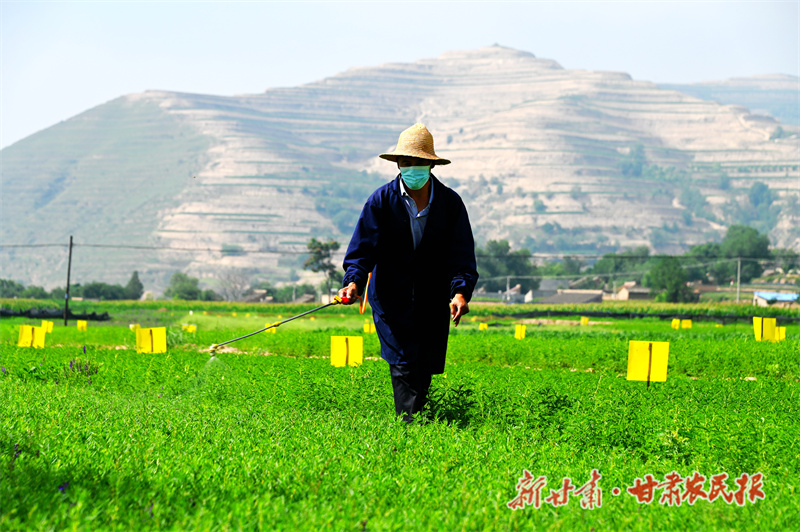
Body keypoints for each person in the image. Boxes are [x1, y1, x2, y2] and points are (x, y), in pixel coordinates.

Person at [338, 123, 479, 422]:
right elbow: (362, 250)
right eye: (406, 163)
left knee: (424, 365)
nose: (412, 168)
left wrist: (460, 291)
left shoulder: (450, 204)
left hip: (432, 299)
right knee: (402, 363)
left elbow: (462, 254)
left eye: (418, 163)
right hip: (392, 299)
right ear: (398, 164)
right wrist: (353, 282)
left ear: (431, 165)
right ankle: (410, 427)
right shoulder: (380, 201)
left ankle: (419, 423)